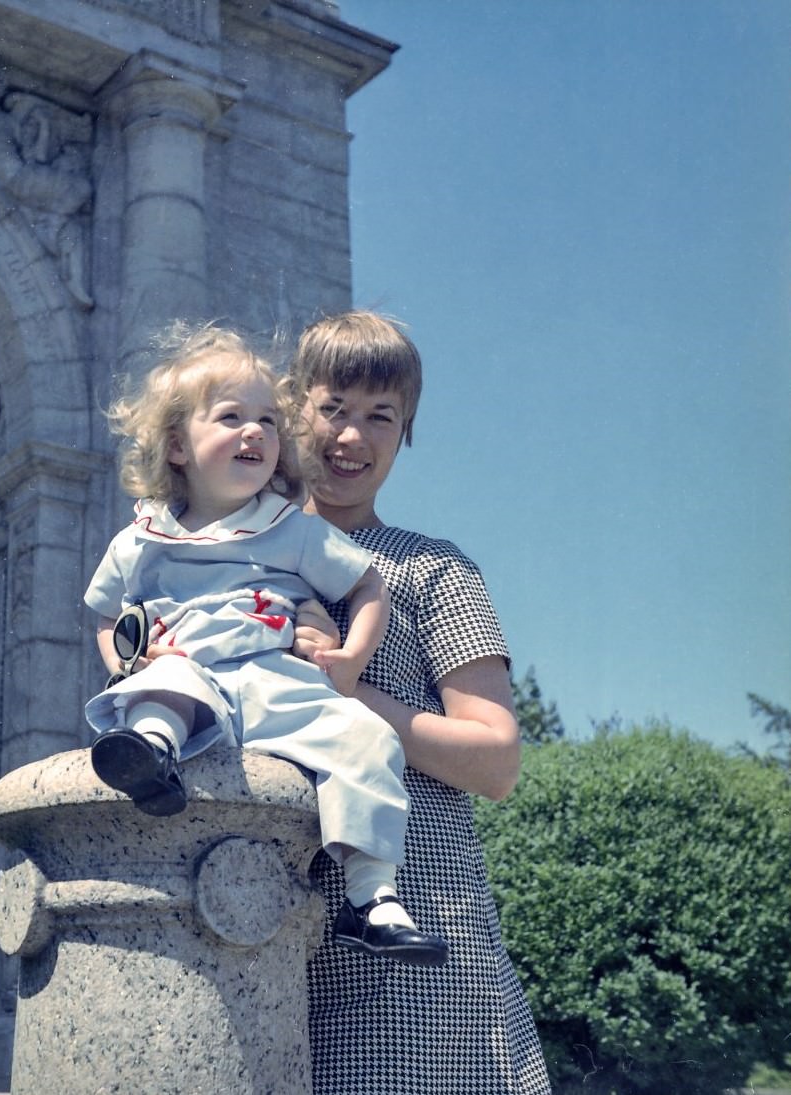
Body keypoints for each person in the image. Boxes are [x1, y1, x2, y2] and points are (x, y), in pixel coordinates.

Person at [83, 325, 446, 966]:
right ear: (176, 446)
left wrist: (352, 658)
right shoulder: (139, 539)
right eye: (231, 417)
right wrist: (129, 663)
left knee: (368, 740)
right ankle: (150, 760)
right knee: (162, 690)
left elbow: (368, 585)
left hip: (276, 679)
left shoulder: (289, 528)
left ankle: (374, 897)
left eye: (268, 421)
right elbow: (105, 620)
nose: (255, 432)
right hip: (190, 678)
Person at [289, 311, 551, 1092]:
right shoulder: (236, 559)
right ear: (294, 406)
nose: (352, 437)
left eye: (382, 417)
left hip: (419, 944)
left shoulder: (434, 569)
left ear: (406, 434)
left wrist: (349, 691)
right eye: (334, 407)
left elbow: (497, 758)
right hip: (268, 920)